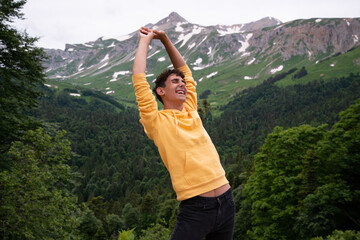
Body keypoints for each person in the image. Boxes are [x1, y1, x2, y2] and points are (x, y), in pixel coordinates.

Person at [132, 27, 235, 240]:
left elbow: (186, 71)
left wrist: (166, 39)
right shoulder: (156, 120)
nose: (182, 84)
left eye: (183, 82)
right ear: (160, 91)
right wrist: (145, 41)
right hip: (197, 208)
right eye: (175, 81)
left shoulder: (190, 108)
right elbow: (139, 80)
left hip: (227, 201)